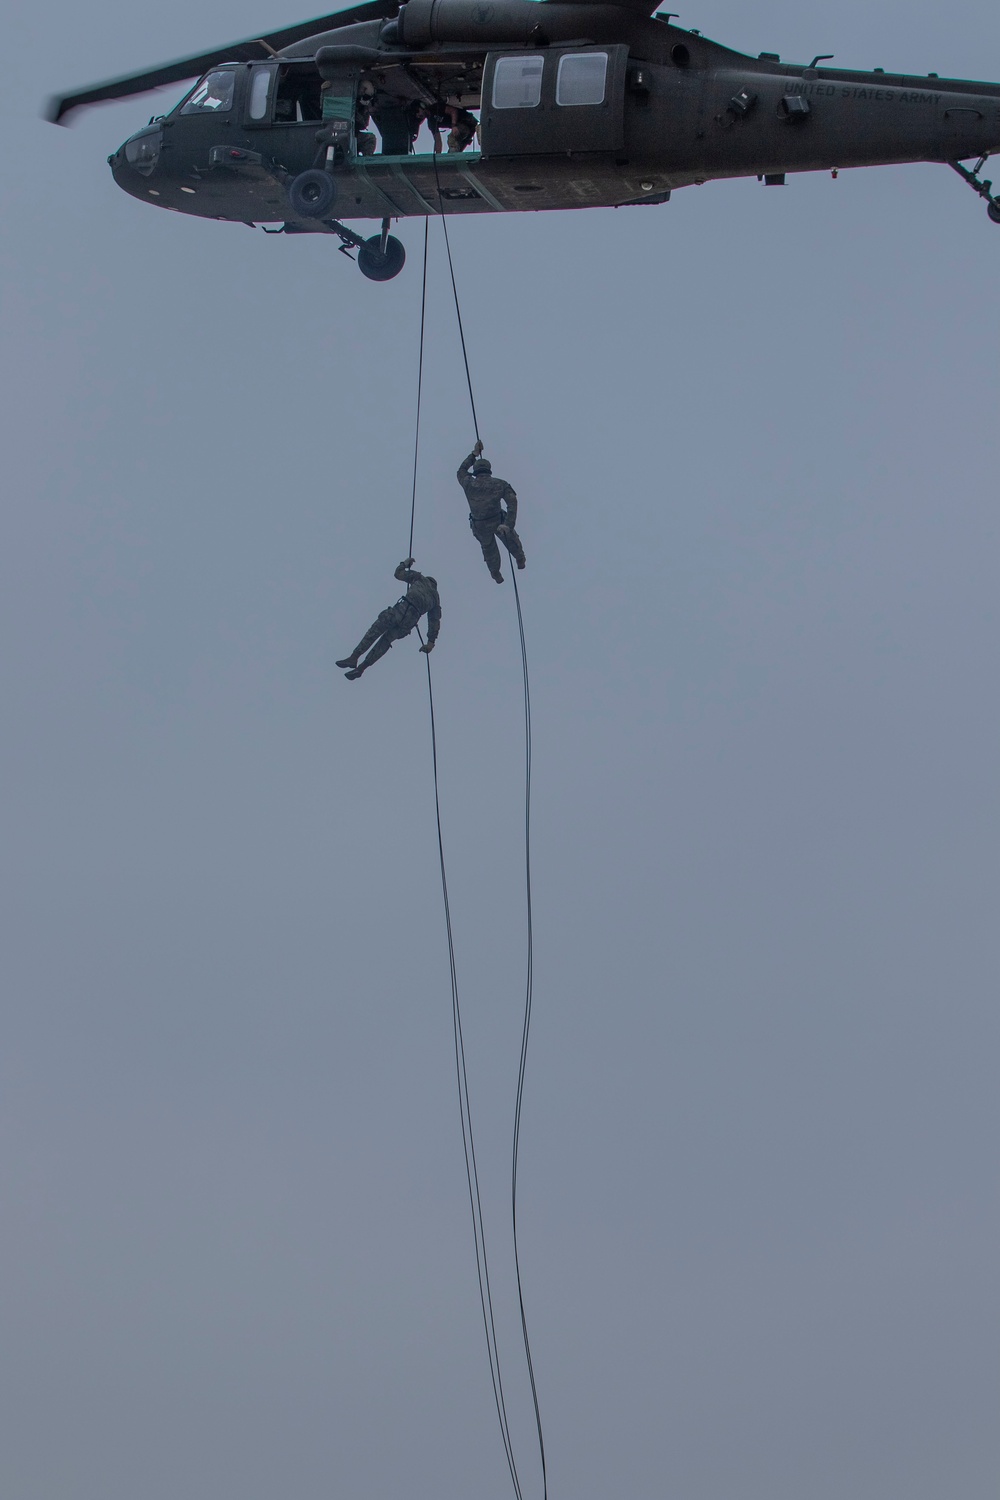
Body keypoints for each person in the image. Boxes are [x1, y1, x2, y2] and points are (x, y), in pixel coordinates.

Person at [336, 560, 441, 679]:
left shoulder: (420, 578)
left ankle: (354, 657)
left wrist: (405, 564)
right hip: (409, 622)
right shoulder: (435, 598)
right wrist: (430, 643)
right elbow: (434, 621)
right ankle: (362, 668)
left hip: (401, 610)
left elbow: (398, 574)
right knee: (385, 641)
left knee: (376, 629)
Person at [456, 441, 526, 583]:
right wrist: (508, 524)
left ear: (475, 471)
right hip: (498, 520)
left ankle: (496, 573)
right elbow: (513, 503)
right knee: (511, 539)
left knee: (489, 549)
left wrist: (474, 454)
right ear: (489, 470)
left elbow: (461, 471)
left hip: (480, 525)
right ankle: (520, 560)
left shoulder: (468, 483)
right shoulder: (500, 484)